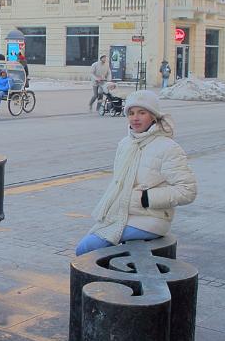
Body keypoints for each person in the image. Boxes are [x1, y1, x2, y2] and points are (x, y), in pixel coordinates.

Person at [75, 90, 197, 255]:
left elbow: (187, 191)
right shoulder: (126, 144)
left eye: (142, 112)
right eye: (131, 113)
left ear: (153, 116)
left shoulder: (168, 147)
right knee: (94, 247)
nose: (135, 118)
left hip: (151, 219)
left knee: (86, 248)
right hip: (124, 214)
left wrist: (145, 198)